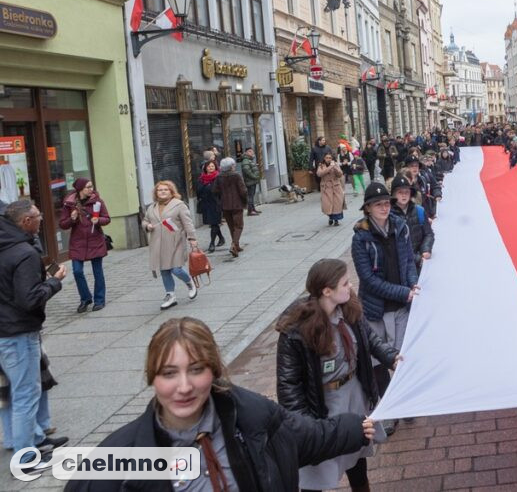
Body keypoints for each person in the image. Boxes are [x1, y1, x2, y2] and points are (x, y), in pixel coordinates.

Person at [66, 317, 374, 492]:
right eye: (169, 373)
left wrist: (357, 427)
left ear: (213, 371)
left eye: (196, 369)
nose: (184, 387)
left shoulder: (254, 418)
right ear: (152, 378)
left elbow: (309, 436)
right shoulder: (115, 462)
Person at [276, 259, 398, 492]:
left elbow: (369, 339)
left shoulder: (349, 308)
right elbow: (288, 385)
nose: (350, 286)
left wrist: (392, 357)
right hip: (322, 405)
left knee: (357, 452)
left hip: (354, 395)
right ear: (327, 291)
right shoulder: (296, 330)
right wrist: (305, 427)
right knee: (315, 469)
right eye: (345, 283)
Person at [0, 200, 67, 473]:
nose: (42, 219)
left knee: (13, 391)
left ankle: (34, 439)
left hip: (5, 329)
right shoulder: (24, 253)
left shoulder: (7, 245)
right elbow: (29, 299)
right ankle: (25, 458)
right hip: (17, 332)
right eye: (38, 216)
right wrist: (54, 282)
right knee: (25, 394)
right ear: (26, 221)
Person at [350, 182, 419, 436]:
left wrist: (413, 284)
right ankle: (390, 409)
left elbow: (408, 261)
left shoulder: (400, 227)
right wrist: (402, 292)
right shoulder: (360, 238)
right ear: (368, 208)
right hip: (375, 309)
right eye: (378, 204)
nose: (384, 208)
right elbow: (368, 280)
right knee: (378, 361)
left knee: (402, 358)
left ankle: (405, 402)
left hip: (400, 307)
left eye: (387, 203)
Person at [142, 181, 199, 310]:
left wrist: (192, 238)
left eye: (165, 190)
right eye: (159, 190)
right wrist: (147, 226)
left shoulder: (179, 205)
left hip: (175, 242)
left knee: (176, 269)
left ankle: (189, 282)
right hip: (158, 243)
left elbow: (188, 223)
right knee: (164, 270)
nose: (162, 192)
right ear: (156, 193)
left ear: (171, 192)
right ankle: (170, 295)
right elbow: (145, 220)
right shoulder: (152, 207)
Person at [58, 178, 109, 313]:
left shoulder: (97, 201)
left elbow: (107, 218)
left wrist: (98, 220)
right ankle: (85, 298)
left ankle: (99, 300)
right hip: (78, 242)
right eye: (88, 187)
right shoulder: (69, 204)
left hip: (95, 240)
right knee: (77, 271)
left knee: (98, 272)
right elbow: (62, 224)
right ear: (80, 189)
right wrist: (72, 219)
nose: (91, 189)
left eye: (91, 186)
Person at [391, 176, 434, 270]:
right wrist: (416, 258)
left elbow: (428, 233)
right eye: (400, 192)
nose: (404, 195)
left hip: (420, 260)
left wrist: (425, 249)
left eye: (407, 192)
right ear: (393, 194)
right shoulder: (389, 215)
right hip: (400, 265)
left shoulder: (419, 210)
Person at [214, 157, 248, 257]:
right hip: (237, 204)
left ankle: (236, 245)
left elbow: (215, 190)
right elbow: (243, 190)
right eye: (233, 165)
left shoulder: (219, 177)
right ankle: (234, 244)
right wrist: (245, 200)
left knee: (231, 226)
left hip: (225, 205)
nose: (234, 166)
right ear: (231, 166)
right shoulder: (236, 175)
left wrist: (221, 198)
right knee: (239, 226)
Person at [196, 160, 225, 254]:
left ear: (215, 167)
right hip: (206, 203)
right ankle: (221, 238)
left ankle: (212, 243)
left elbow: (222, 191)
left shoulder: (218, 177)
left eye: (212, 166)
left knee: (214, 223)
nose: (210, 168)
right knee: (213, 223)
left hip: (216, 203)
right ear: (205, 168)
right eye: (209, 166)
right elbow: (198, 191)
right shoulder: (201, 178)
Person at [317, 153, 346, 227]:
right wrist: (330, 167)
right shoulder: (321, 165)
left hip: (336, 187)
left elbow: (340, 174)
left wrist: (334, 167)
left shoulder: (335, 164)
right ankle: (330, 217)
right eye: (327, 157)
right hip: (326, 188)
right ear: (324, 158)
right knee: (328, 204)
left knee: (337, 204)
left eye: (330, 158)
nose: (328, 159)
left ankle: (336, 220)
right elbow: (319, 174)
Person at [240, 147, 261, 217]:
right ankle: (250, 211)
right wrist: (254, 176)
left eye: (252, 151)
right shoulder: (245, 160)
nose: (252, 153)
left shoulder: (249, 160)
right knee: (250, 196)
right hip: (250, 181)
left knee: (252, 196)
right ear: (246, 152)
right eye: (250, 151)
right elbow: (246, 170)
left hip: (252, 181)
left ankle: (253, 209)